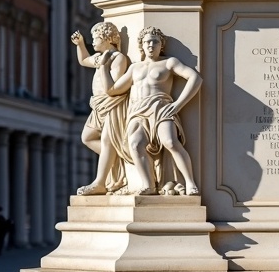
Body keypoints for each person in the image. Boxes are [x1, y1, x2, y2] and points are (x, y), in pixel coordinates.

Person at [101, 26, 202, 195]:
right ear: (141, 45)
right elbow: (112, 90)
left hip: (161, 108)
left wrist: (178, 104)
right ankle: (148, 185)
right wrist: (104, 68)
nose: (150, 45)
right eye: (147, 42)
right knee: (135, 144)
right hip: (138, 111)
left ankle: (190, 182)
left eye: (155, 42)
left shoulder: (169, 62)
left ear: (161, 45)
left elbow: (195, 78)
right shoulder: (135, 68)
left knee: (170, 142)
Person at [70, 22, 131, 195]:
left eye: (96, 38)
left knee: (107, 140)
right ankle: (115, 157)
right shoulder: (100, 57)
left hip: (110, 104)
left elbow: (111, 88)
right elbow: (83, 60)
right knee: (87, 137)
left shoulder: (118, 58)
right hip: (97, 106)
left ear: (107, 39)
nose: (93, 42)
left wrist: (103, 66)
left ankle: (100, 182)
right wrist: (80, 44)